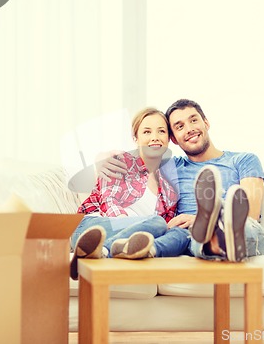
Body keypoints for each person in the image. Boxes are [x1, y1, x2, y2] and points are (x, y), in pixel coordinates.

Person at [99, 99, 264, 262]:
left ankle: (219, 217)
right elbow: (140, 157)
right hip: (194, 236)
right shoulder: (170, 167)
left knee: (235, 225)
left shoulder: (244, 160)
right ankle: (215, 236)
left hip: (244, 229)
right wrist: (101, 157)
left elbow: (251, 215)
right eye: (180, 127)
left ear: (206, 123)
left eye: (193, 120)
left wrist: (198, 218)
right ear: (173, 139)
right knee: (194, 236)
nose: (189, 129)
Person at [70, 107, 190, 280]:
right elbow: (109, 203)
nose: (155, 137)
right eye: (147, 131)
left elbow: (166, 228)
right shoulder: (120, 162)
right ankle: (100, 251)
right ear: (136, 138)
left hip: (128, 237)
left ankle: (104, 253)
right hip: (92, 230)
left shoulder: (169, 189)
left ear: (168, 139)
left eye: (161, 131)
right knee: (158, 223)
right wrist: (149, 227)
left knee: (181, 234)